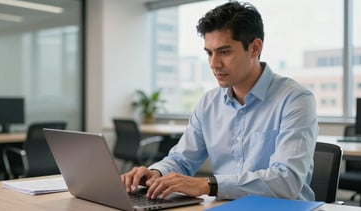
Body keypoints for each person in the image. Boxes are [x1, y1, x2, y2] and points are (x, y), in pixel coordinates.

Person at [121, 1, 318, 201]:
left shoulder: (295, 99)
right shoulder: (209, 103)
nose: (214, 64)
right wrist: (156, 173)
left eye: (224, 52)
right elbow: (181, 159)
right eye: (209, 53)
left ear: (254, 48)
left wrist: (207, 185)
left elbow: (286, 181)